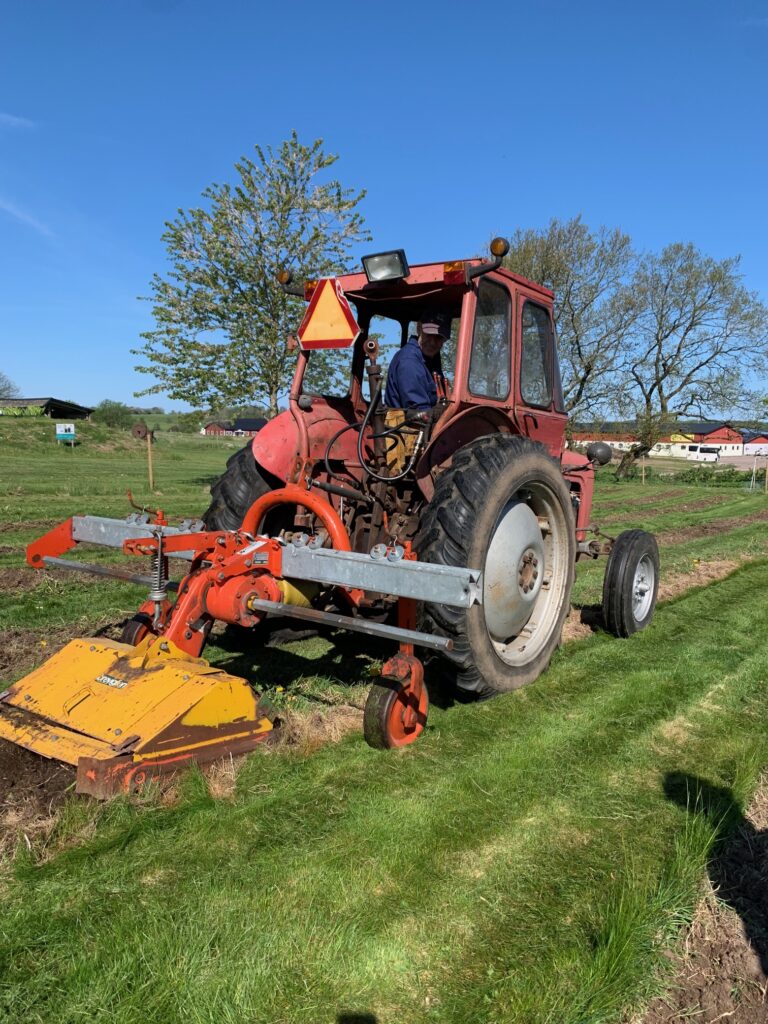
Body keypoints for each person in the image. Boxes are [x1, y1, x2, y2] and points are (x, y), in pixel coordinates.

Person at [384, 312, 450, 410]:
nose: (432, 342)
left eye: (438, 337)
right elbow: (419, 412)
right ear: (419, 328)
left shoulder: (431, 360)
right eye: (429, 334)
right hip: (404, 424)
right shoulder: (409, 362)